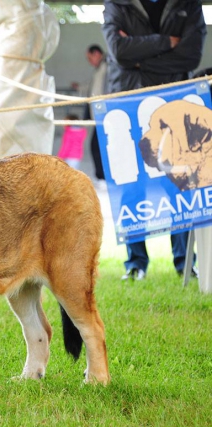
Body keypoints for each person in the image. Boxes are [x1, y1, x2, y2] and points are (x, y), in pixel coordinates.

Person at [102, 0, 206, 281]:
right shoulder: (116, 4)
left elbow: (191, 56)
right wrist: (166, 42)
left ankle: (185, 261)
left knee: (179, 184)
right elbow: (118, 51)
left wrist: (138, 56)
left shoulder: (189, 4)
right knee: (130, 184)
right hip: (127, 105)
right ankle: (136, 263)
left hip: (174, 104)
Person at [84, 44, 107, 188]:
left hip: (103, 115)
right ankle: (102, 177)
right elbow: (93, 89)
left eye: (89, 57)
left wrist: (101, 115)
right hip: (100, 114)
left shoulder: (106, 67)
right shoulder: (100, 69)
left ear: (97, 53)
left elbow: (101, 93)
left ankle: (103, 177)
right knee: (97, 147)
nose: (89, 61)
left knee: (97, 147)